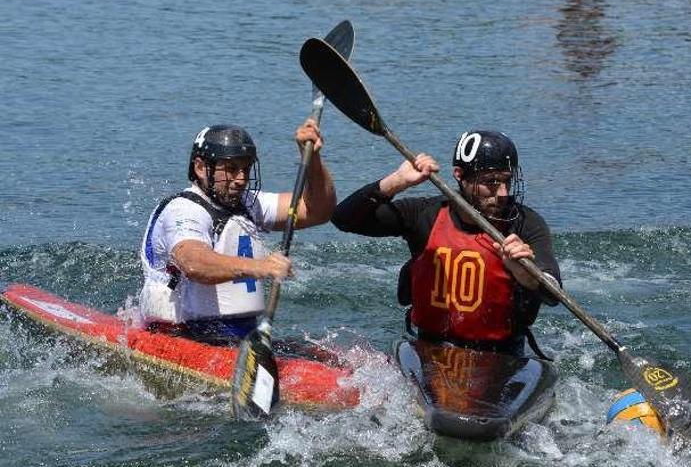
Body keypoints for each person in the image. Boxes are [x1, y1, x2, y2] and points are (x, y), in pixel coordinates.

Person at [332, 130, 561, 357]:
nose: (502, 193)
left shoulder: (525, 224)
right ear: (460, 175)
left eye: (506, 181)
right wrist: (396, 182)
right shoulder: (424, 215)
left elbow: (553, 293)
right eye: (491, 182)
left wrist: (526, 275)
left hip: (501, 355)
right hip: (429, 348)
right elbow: (344, 219)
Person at [138, 120, 335, 344]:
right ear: (201, 168)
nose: (241, 179)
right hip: (179, 337)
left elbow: (318, 210)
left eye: (246, 168)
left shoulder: (249, 203)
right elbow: (193, 263)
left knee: (333, 360)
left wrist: (312, 159)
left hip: (240, 336)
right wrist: (260, 267)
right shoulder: (183, 210)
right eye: (231, 168)